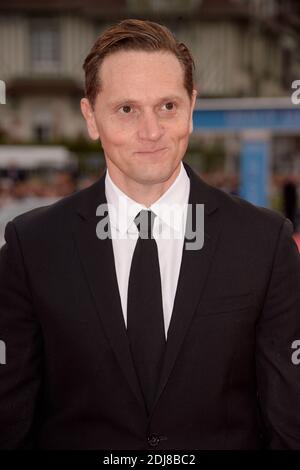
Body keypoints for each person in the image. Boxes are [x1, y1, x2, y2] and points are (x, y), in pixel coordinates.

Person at [0, 19, 299, 450]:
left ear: (191, 109)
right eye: (126, 109)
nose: (151, 131)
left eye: (167, 107)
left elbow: (289, 422)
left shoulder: (265, 242)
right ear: (91, 117)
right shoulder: (33, 247)